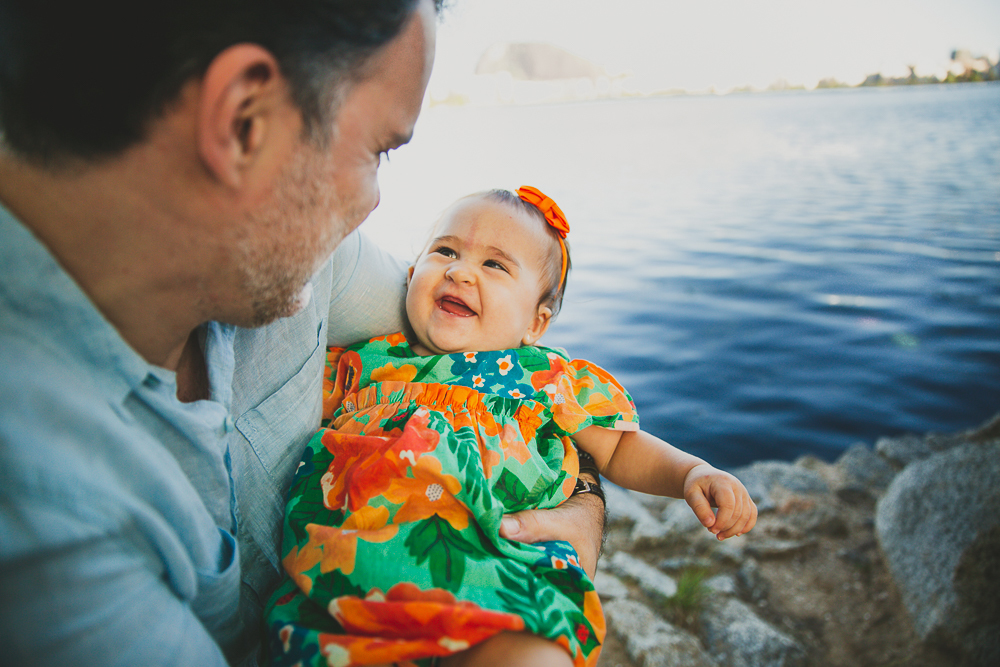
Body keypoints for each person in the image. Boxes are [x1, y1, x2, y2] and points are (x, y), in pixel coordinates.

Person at [0, 3, 606, 665]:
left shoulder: (300, 257)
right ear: (243, 123)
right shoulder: (44, 518)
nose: (374, 203)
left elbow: (494, 360)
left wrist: (582, 503)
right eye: (379, 150)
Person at [266, 187, 758, 667]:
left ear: (536, 324)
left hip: (494, 578)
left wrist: (691, 472)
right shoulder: (364, 360)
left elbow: (619, 450)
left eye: (494, 265)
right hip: (343, 592)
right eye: (445, 251)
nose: (460, 271)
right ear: (412, 273)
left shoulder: (540, 377)